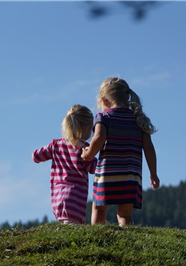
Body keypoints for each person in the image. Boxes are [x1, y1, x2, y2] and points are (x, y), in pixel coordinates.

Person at [82, 77, 160, 226]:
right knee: (125, 214)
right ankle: (127, 241)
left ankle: (99, 240)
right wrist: (153, 173)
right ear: (127, 97)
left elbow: (99, 137)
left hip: (107, 173)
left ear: (104, 101)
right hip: (131, 176)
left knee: (99, 208)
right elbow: (149, 147)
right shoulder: (139, 119)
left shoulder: (103, 117)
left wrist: (88, 154)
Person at [32, 104, 98, 225]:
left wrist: (37, 155)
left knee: (66, 224)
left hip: (58, 196)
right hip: (75, 197)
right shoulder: (83, 148)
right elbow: (94, 168)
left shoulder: (56, 145)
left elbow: (36, 157)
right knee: (72, 228)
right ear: (88, 127)